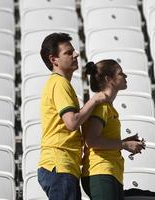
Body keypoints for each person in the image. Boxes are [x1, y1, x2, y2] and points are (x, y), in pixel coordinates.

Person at [37, 33, 108, 200]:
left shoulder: (59, 84)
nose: (76, 54)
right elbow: (72, 122)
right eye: (68, 53)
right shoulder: (59, 83)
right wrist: (95, 100)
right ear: (53, 60)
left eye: (74, 51)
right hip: (60, 164)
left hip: (62, 166)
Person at [81, 60, 146, 200]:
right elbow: (91, 140)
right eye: (121, 73)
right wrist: (124, 145)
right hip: (100, 172)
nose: (125, 76)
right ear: (109, 79)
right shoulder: (102, 107)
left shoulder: (107, 107)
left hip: (109, 172)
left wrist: (124, 142)